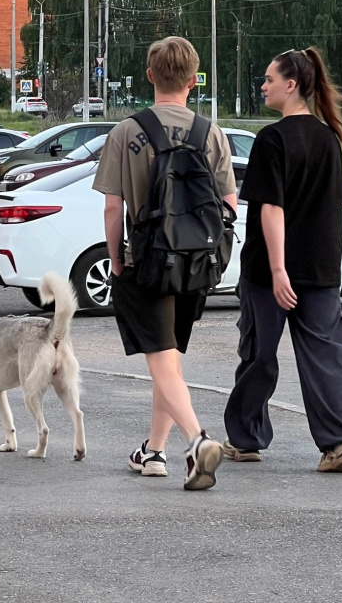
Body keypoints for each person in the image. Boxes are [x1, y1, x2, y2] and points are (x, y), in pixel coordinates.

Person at [93, 36, 237, 490]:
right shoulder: (209, 132)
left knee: (160, 360)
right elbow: (229, 204)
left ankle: (198, 441)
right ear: (194, 81)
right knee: (168, 361)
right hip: (195, 265)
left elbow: (113, 208)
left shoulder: (127, 132)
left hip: (146, 263)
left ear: (150, 76)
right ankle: (154, 452)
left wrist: (116, 261)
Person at [223, 47, 342, 474]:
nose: (263, 86)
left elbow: (271, 208)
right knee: (328, 355)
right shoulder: (328, 138)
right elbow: (331, 209)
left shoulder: (272, 139)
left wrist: (279, 269)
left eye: (268, 79)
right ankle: (339, 443)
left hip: (271, 272)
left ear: (291, 85)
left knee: (259, 355)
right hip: (320, 269)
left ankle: (245, 440)